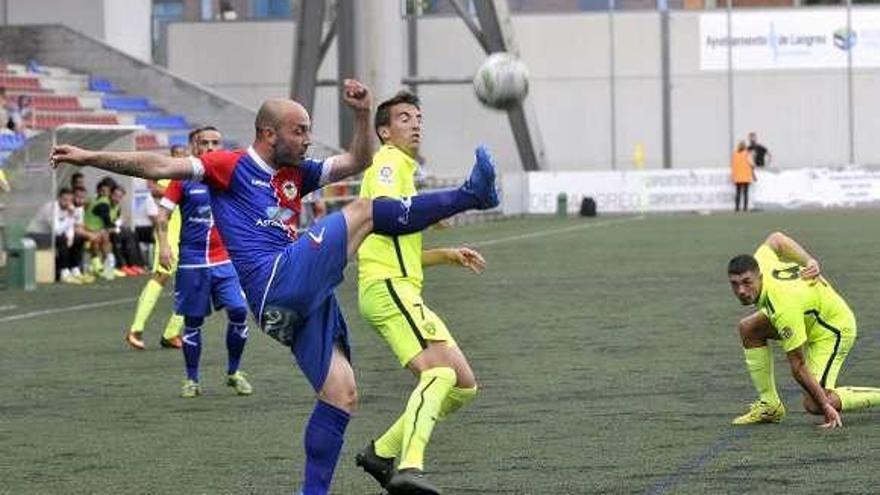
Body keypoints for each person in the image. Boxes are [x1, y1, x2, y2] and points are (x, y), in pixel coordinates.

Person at [50, 78, 499, 495]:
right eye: (300, 131)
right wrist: (89, 158)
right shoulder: (229, 166)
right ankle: (470, 195)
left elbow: (358, 159)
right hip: (274, 279)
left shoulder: (296, 173)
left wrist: (362, 116)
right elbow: (158, 164)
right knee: (365, 210)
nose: (307, 139)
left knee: (341, 394)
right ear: (269, 134)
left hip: (296, 298)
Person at [355, 91, 485, 495]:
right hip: (387, 289)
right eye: (405, 118)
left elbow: (396, 242)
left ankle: (381, 452)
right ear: (384, 131)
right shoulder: (389, 165)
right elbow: (390, 220)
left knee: (463, 385)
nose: (415, 124)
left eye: (418, 118)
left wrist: (444, 254)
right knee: (440, 373)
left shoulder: (403, 169)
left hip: (400, 287)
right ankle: (410, 466)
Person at [727, 231, 880, 429]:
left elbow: (798, 366)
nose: (741, 291)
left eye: (747, 282)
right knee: (749, 329)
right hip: (808, 314)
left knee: (814, 404)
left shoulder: (783, 308)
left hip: (833, 329)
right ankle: (770, 406)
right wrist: (809, 260)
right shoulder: (760, 261)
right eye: (735, 284)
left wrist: (826, 406)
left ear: (760, 277)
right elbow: (777, 239)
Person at [154, 126, 252, 397]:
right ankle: (192, 380)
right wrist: (164, 246)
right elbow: (162, 215)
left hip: (226, 261)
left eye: (215, 143)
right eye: (204, 143)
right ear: (194, 148)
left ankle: (233, 372)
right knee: (193, 322)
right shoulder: (181, 179)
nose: (210, 148)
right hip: (193, 263)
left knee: (239, 311)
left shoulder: (233, 177)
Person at [124, 144, 193, 350]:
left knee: (194, 283)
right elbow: (154, 188)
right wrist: (182, 191)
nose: (181, 157)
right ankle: (135, 328)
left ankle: (171, 333)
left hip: (190, 234)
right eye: (177, 154)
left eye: (184, 154)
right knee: (161, 276)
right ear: (171, 156)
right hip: (169, 233)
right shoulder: (171, 175)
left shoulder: (191, 176)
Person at [25, 187, 84, 284]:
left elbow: (70, 228)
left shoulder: (69, 208)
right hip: (35, 235)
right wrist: (69, 216)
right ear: (59, 198)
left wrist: (71, 238)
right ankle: (64, 272)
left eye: (70, 200)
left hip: (50, 235)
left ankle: (75, 269)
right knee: (61, 239)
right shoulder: (51, 207)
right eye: (65, 200)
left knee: (79, 238)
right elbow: (56, 230)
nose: (67, 202)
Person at [731, 141, 754, 213]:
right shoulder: (747, 154)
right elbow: (752, 164)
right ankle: (745, 208)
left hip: (737, 176)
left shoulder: (735, 154)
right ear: (745, 146)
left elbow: (733, 165)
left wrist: (733, 176)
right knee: (745, 193)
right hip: (746, 176)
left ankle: (737, 208)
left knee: (738, 193)